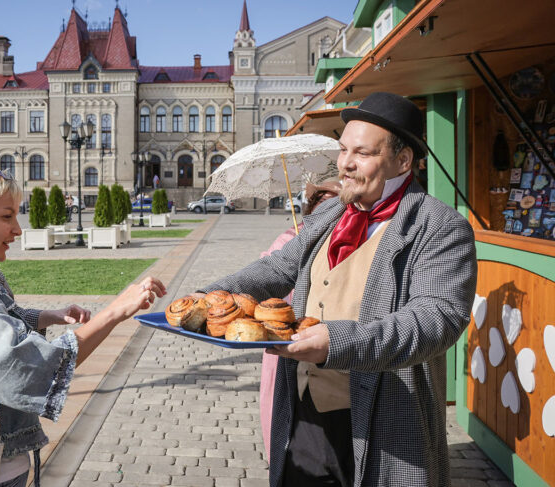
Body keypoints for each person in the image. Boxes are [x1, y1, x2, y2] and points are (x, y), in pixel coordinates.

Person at [197, 92, 477, 486]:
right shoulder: (332, 212)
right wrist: (207, 296)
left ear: (402, 160)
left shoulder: (439, 226)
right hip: (306, 408)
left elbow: (436, 320)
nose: (345, 163)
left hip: (386, 416)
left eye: (362, 153)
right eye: (344, 149)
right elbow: (277, 267)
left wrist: (336, 342)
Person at [0, 162, 166, 487]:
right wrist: (115, 312)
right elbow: (32, 365)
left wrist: (46, 316)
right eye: (6, 216)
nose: (18, 230)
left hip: (1, 455)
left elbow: (1, 320)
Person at [259, 178, 341, 462]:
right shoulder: (288, 240)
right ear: (311, 208)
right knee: (286, 420)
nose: (330, 209)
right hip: (287, 347)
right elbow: (269, 287)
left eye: (337, 203)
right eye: (323, 202)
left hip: (333, 357)